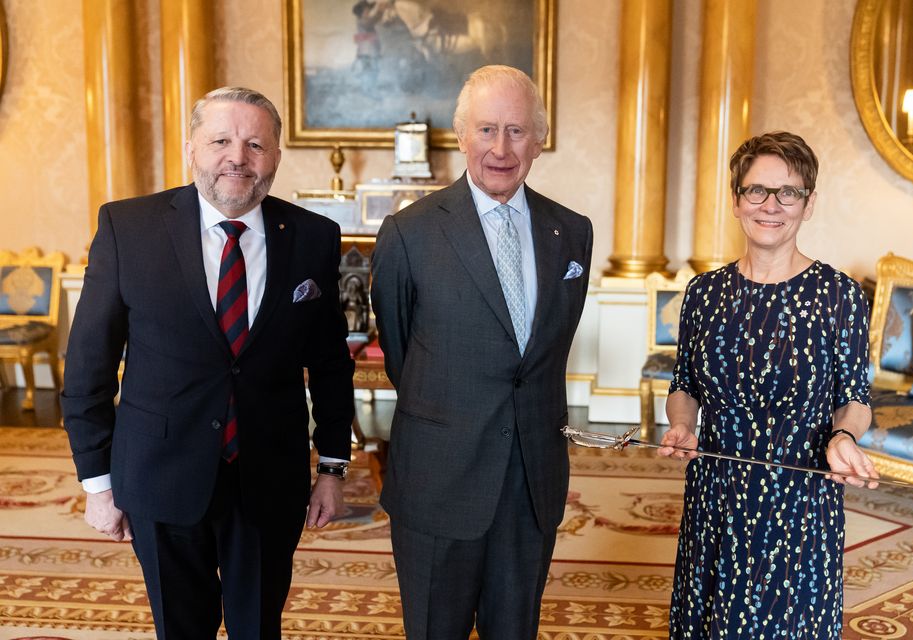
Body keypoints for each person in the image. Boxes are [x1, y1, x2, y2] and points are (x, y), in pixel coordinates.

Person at [61, 87, 356, 640]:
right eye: (221, 140)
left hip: (269, 477)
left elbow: (331, 364)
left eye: (255, 144)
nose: (237, 158)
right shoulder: (129, 229)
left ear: (276, 156)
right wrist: (97, 483)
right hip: (159, 475)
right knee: (181, 629)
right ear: (191, 148)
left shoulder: (314, 237)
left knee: (258, 627)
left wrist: (333, 468)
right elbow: (88, 368)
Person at [371, 65, 593, 640]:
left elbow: (549, 350)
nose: (501, 148)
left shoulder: (572, 232)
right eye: (487, 130)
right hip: (438, 480)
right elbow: (401, 353)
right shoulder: (409, 233)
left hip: (531, 481)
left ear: (539, 141)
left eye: (517, 131)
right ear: (462, 135)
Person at [657, 131, 879, 638]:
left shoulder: (838, 295)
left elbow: (855, 400)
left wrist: (843, 438)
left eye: (789, 192)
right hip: (717, 494)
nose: (771, 205)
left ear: (809, 203)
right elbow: (685, 384)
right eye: (757, 191)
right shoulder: (705, 293)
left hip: (801, 498)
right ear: (736, 201)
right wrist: (681, 424)